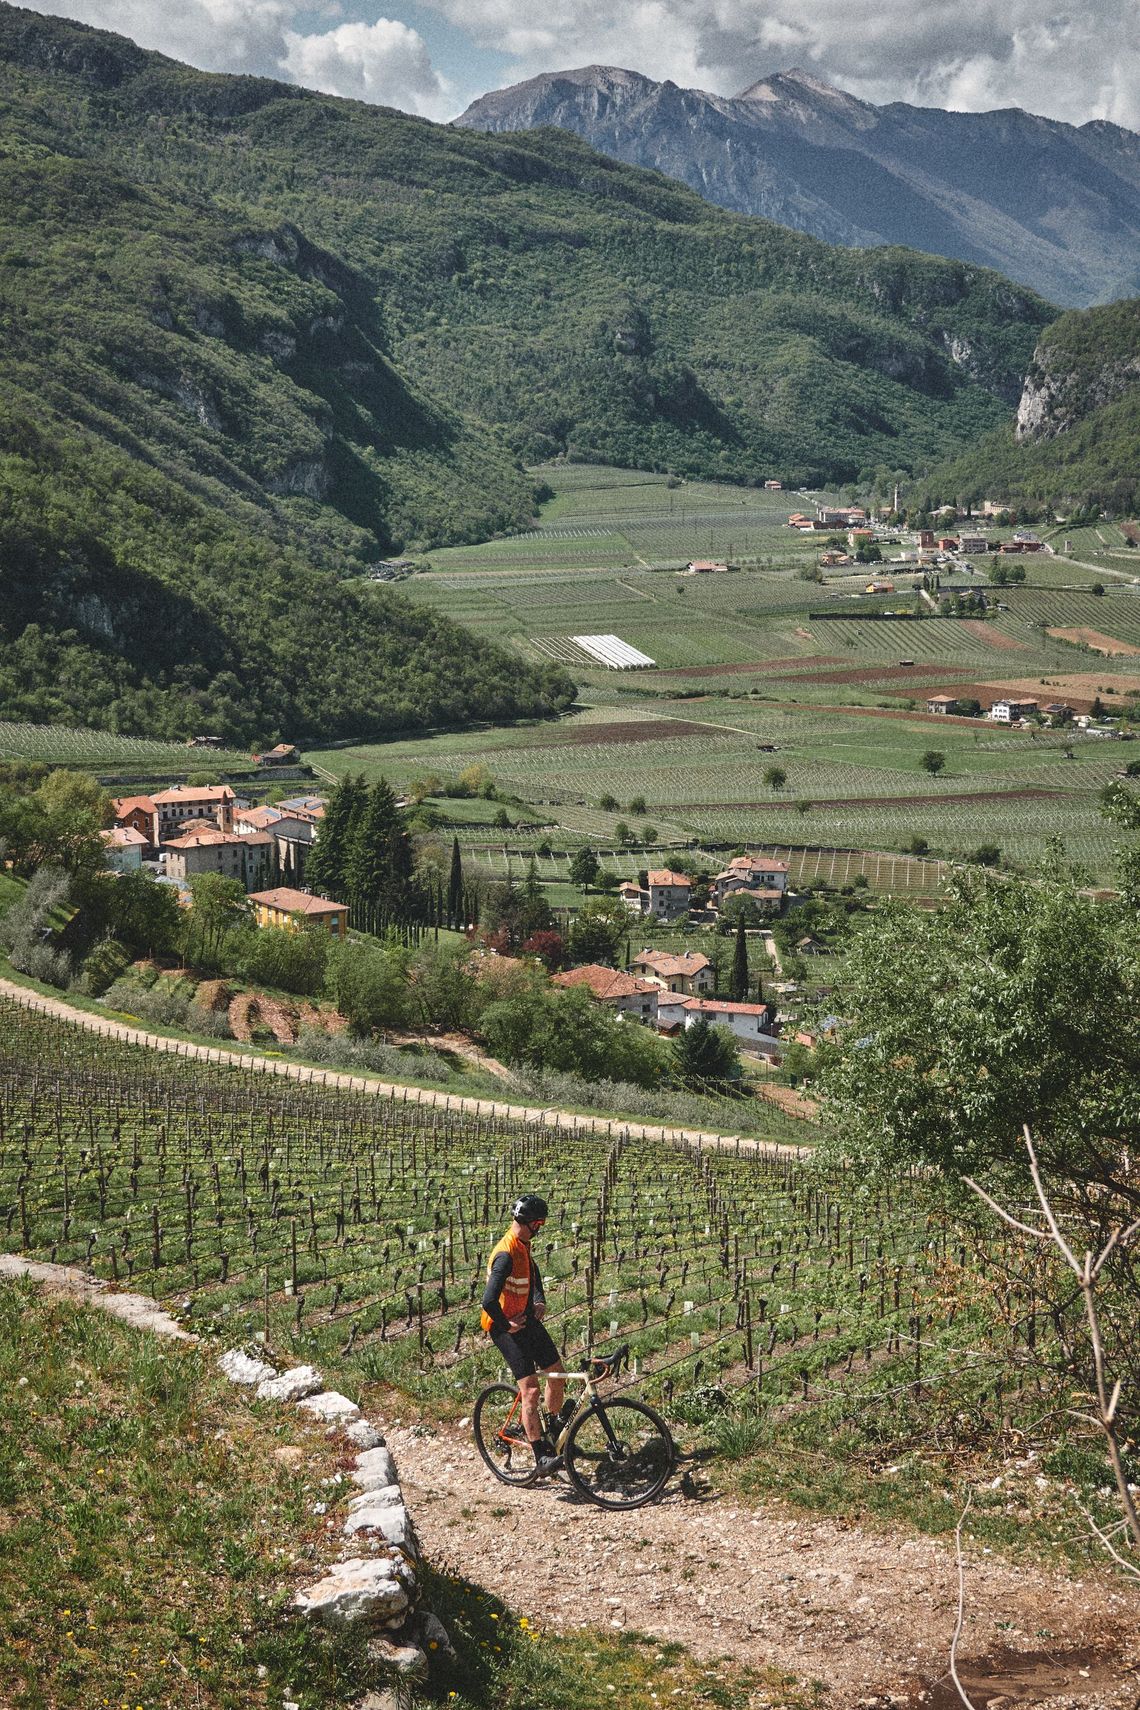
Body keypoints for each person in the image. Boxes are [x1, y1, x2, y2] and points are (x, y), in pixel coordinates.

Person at [480, 1194, 570, 1475]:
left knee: (557, 1375)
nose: (541, 1228)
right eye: (540, 1223)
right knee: (530, 1390)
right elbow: (488, 1301)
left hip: (525, 1318)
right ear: (532, 1223)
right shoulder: (506, 1254)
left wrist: (539, 1299)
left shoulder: (523, 1246)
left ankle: (553, 1431)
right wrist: (507, 1325)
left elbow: (533, 1272)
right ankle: (540, 1457)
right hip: (503, 1327)